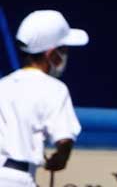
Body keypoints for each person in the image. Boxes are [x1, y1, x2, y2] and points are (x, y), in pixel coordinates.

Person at [0, 10, 88, 186]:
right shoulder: (55, 89)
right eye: (63, 50)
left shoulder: (3, 85)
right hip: (18, 179)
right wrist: (59, 158)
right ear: (51, 54)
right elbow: (64, 140)